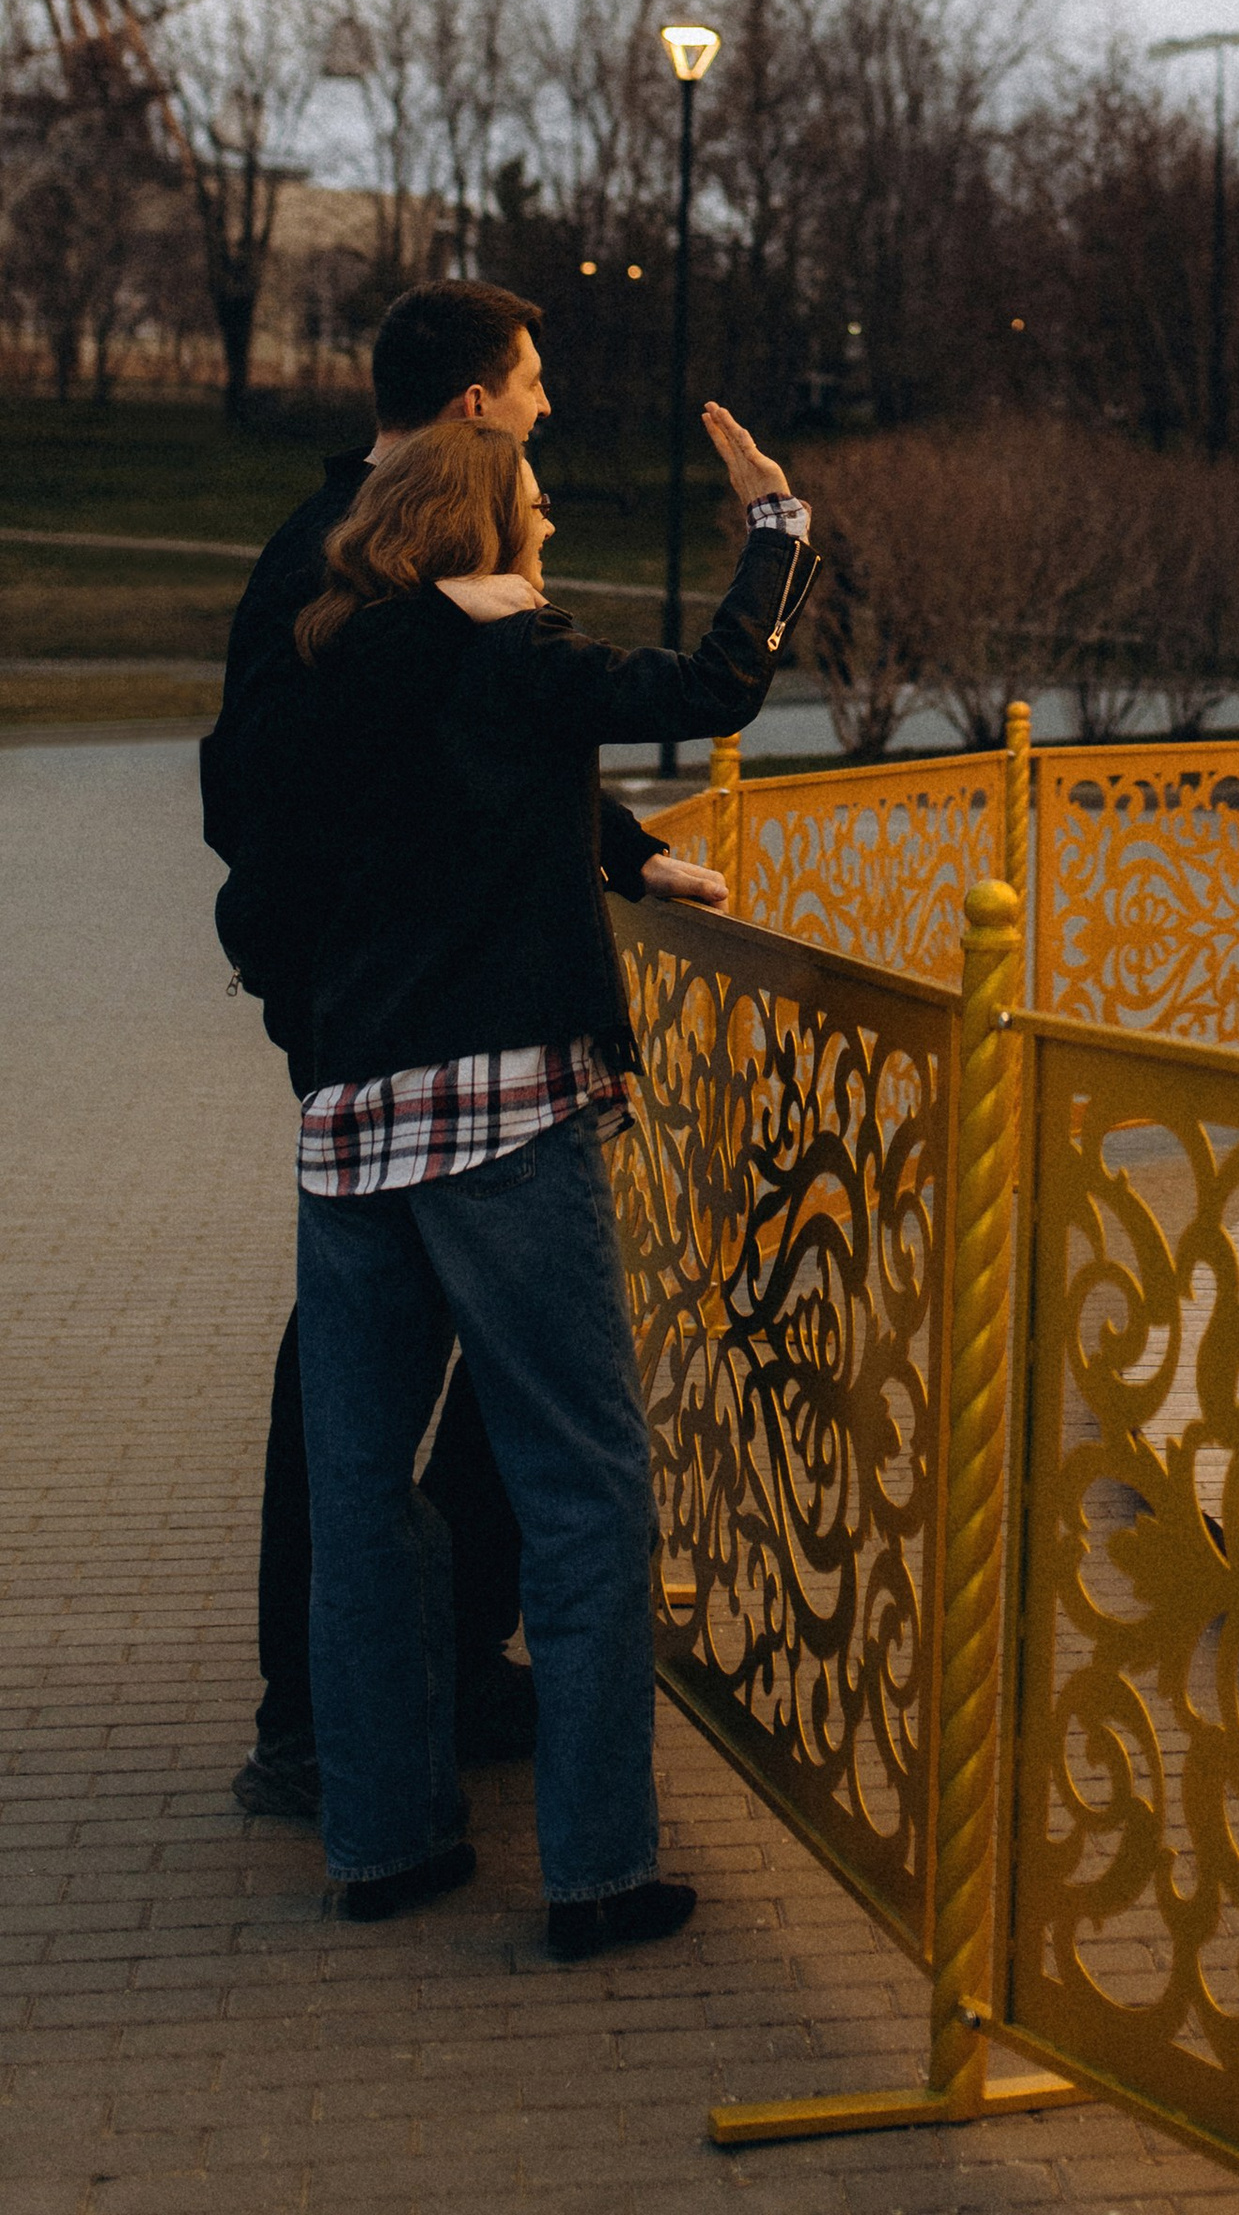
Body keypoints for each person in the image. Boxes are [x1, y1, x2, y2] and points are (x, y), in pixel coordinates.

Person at [202, 279, 733, 1822]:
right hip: (407, 1039)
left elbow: (484, 742)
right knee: (395, 1417)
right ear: (471, 407)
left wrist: (618, 853)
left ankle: (409, 1710)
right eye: (533, 382)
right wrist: (332, 993)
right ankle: (325, 1717)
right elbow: (281, 795)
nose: (550, 406)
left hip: (378, 1046)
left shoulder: (362, 566)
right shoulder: (340, 566)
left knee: (418, 1403)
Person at [289, 401, 818, 1945]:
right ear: (481, 522)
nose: (552, 520)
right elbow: (715, 688)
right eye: (533, 492)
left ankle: (382, 1845)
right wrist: (775, 532)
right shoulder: (511, 655)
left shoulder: (339, 659)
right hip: (504, 1110)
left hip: (347, 1118)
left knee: (360, 1494)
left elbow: (471, 792)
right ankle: (597, 1870)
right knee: (585, 1487)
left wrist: (622, 851)